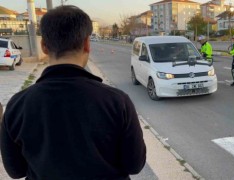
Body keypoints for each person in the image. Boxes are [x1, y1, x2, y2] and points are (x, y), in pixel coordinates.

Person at [0, 5, 146, 180]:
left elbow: (15, 171)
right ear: (86, 44)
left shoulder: (17, 105)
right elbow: (135, 164)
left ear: (44, 46)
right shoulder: (117, 102)